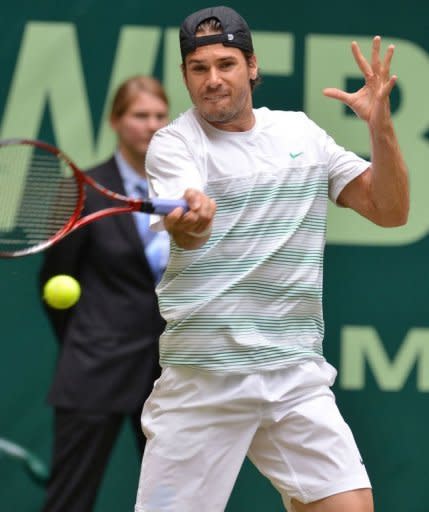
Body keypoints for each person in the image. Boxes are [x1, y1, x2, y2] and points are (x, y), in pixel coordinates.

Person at [134, 6, 409, 512]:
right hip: (205, 381)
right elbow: (189, 233)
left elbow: (390, 211)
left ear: (252, 66)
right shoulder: (174, 145)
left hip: (294, 375)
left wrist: (380, 127)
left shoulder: (301, 134)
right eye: (199, 69)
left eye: (226, 64)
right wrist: (192, 220)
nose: (213, 80)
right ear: (185, 76)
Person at [39, 75, 170, 512]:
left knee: (175, 500)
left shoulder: (184, 191)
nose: (150, 125)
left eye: (158, 115)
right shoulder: (81, 190)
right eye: (139, 115)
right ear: (116, 121)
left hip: (169, 375)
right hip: (96, 367)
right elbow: (53, 281)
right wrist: (92, 339)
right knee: (70, 501)